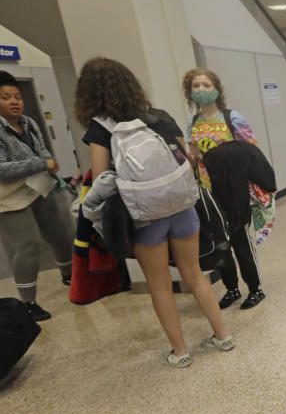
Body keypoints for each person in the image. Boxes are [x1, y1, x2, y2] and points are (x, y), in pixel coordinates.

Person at [77, 57, 234, 368]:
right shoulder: (159, 117)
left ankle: (180, 352)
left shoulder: (102, 127)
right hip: (182, 208)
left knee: (159, 283)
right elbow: (188, 159)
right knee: (195, 274)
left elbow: (101, 181)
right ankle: (222, 335)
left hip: (145, 217)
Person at [182, 68, 266, 310]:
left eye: (206, 85)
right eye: (196, 86)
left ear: (216, 89)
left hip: (235, 188)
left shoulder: (232, 118)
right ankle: (231, 288)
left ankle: (255, 288)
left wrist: (225, 147)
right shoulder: (193, 123)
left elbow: (250, 150)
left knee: (240, 239)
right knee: (220, 241)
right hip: (209, 190)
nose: (201, 90)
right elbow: (194, 156)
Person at [0, 71, 75, 321]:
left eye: (17, 97)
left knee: (60, 232)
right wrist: (41, 163)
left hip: (39, 187)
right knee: (27, 246)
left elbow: (42, 149)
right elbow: (2, 169)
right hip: (9, 197)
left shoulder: (28, 123)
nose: (14, 102)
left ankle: (70, 276)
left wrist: (45, 162)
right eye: (5, 97)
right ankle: (28, 303)